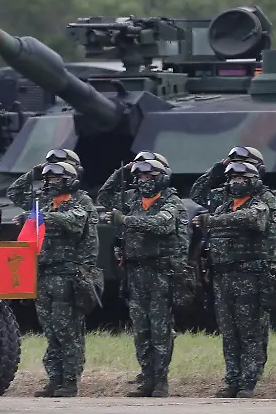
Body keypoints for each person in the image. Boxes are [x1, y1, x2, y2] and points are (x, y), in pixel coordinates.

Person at [103, 159, 186, 398]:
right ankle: (147, 379)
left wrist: (125, 220)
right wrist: (121, 172)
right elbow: (104, 196)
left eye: (149, 176)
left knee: (160, 330)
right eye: (140, 177)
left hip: (161, 273)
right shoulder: (133, 201)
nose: (144, 181)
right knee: (141, 330)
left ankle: (161, 382)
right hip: (135, 273)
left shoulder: (171, 202)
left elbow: (161, 225)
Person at [192, 162, 272, 398]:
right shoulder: (223, 206)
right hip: (223, 277)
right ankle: (232, 380)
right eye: (233, 178)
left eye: (242, 178)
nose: (236, 182)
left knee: (249, 331)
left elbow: (252, 219)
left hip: (248, 278)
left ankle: (248, 382)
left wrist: (213, 221)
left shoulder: (258, 205)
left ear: (253, 181)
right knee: (228, 333)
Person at [30, 159, 98, 398]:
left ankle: (69, 381)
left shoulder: (80, 204)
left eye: (57, 179)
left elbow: (75, 223)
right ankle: (54, 379)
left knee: (67, 331)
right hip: (45, 274)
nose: (52, 183)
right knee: (51, 331)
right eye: (48, 179)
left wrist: (45, 217)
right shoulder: (47, 205)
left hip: (67, 276)